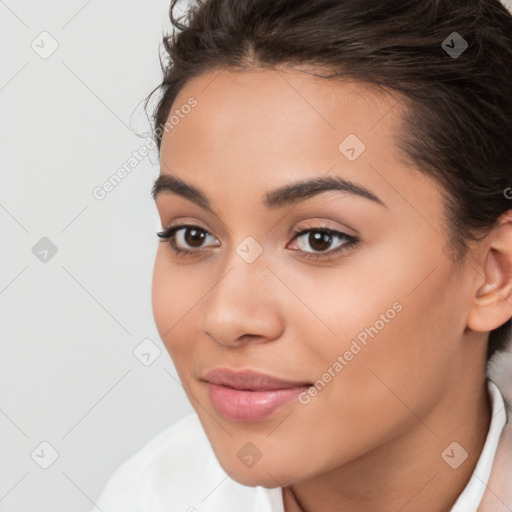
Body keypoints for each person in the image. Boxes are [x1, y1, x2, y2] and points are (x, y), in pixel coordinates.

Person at [91, 0, 512, 510]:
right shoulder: (150, 497)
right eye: (192, 235)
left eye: (319, 239)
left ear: (495, 273)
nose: (225, 318)